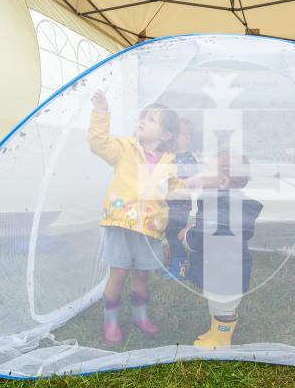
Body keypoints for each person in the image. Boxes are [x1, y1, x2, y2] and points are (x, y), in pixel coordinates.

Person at [88, 89, 195, 344]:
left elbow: (172, 188)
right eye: (143, 117)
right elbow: (98, 143)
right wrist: (101, 111)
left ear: (166, 134)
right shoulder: (124, 148)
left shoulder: (168, 161)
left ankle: (140, 316)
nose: (143, 121)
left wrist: (192, 186)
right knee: (118, 273)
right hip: (120, 222)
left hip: (150, 228)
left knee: (142, 275)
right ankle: (111, 322)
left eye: (152, 119)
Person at [179, 152, 263, 350]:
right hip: (222, 267)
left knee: (223, 305)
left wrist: (186, 236)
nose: (202, 172)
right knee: (217, 302)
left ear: (223, 181)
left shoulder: (221, 206)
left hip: (225, 270)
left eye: (208, 169)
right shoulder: (225, 201)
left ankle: (221, 339)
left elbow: (203, 235)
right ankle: (215, 331)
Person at [162, 118, 198, 280]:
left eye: (178, 135)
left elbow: (187, 186)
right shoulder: (169, 157)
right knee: (170, 235)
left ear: (187, 138)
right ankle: (173, 265)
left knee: (176, 236)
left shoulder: (188, 161)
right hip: (167, 205)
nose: (173, 138)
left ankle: (180, 271)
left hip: (179, 207)